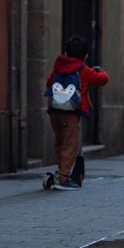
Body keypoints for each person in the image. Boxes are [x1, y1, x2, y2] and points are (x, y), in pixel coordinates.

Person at [44, 35, 109, 190]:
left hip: (54, 111)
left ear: (66, 53)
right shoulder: (84, 70)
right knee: (70, 145)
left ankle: (61, 171)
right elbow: (103, 79)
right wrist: (100, 70)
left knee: (60, 142)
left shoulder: (58, 66)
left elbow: (49, 82)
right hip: (71, 113)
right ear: (85, 56)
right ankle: (64, 177)